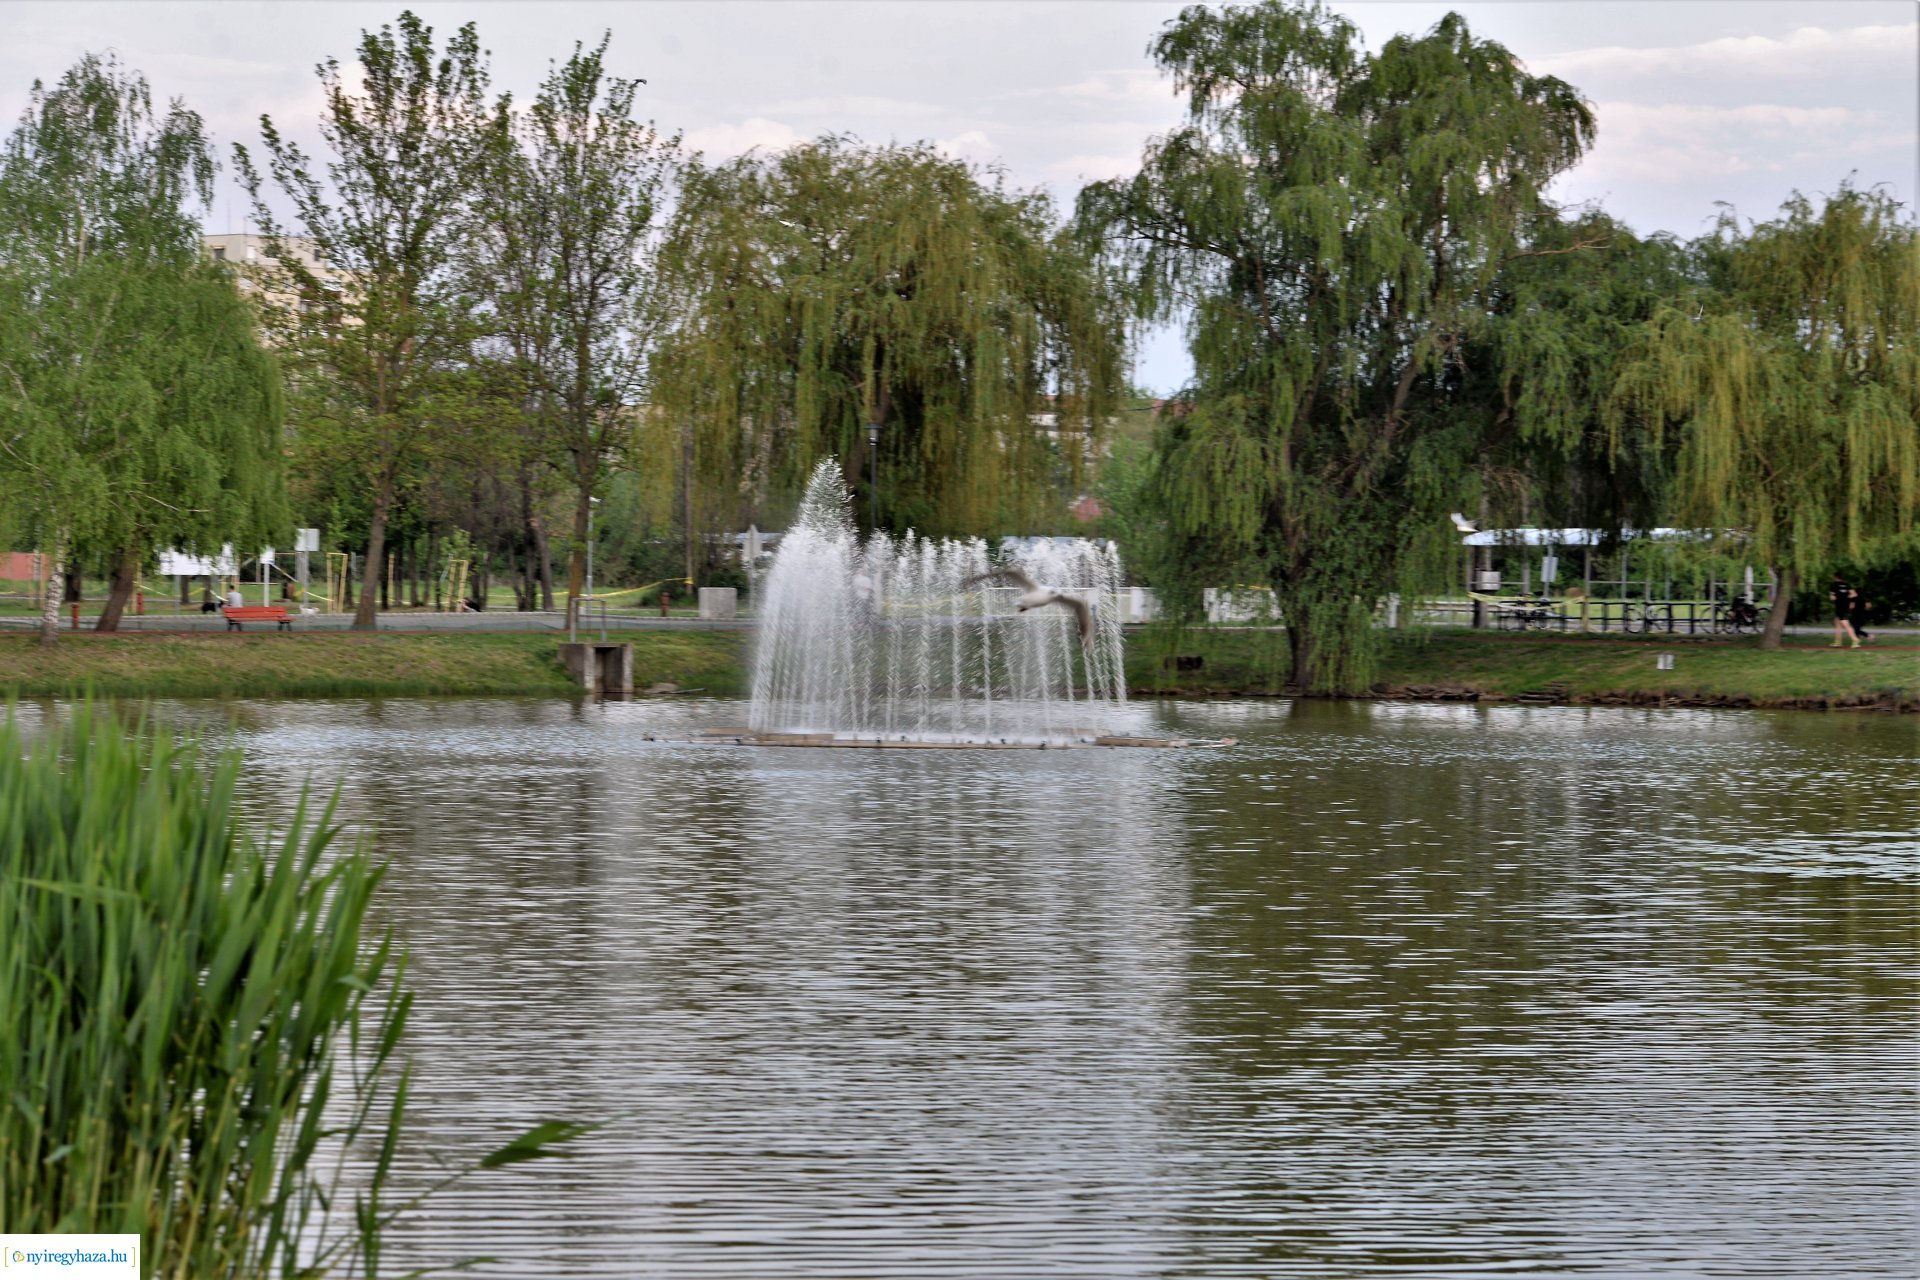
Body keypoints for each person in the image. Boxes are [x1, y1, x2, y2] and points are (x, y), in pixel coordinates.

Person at [1829, 574, 1859, 648]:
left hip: (1839, 607)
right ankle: (1838, 642)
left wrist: (1836, 597)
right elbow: (1854, 594)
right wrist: (1846, 597)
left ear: (1835, 577)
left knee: (1845, 623)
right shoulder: (1846, 585)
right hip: (1845, 606)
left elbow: (1832, 597)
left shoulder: (1834, 585)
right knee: (1837, 623)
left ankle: (1855, 640)